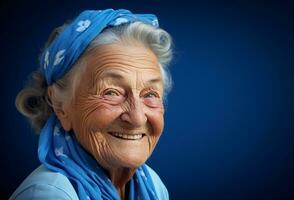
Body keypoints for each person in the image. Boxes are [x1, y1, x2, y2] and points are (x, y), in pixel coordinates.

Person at [10, 8, 173, 200]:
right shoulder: (49, 194)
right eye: (111, 92)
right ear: (60, 105)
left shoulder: (151, 185)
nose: (137, 118)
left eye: (150, 94)